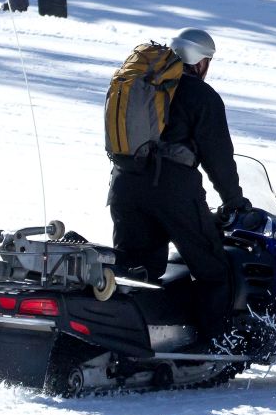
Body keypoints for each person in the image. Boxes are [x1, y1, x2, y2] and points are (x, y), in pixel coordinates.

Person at [107, 28, 250, 347]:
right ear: (200, 62)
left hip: (124, 183)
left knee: (137, 271)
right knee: (213, 268)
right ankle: (215, 350)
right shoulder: (201, 95)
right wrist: (235, 201)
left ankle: (129, 342)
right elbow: (219, 158)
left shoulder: (143, 84)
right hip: (172, 188)